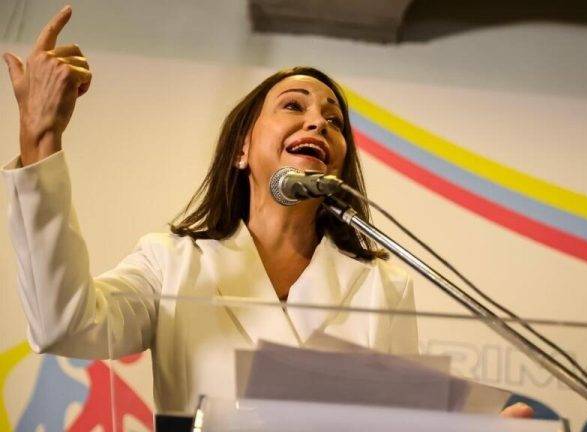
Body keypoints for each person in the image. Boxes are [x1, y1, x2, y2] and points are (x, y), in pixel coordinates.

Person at [2, 6, 533, 419]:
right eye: (293, 106)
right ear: (241, 150)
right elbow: (63, 324)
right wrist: (40, 136)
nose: (319, 123)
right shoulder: (171, 262)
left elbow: (395, 425)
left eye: (334, 120)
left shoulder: (383, 284)